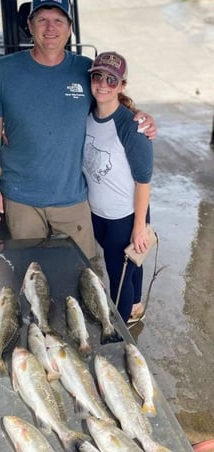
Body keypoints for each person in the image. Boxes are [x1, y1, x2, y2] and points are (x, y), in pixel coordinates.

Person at [0, 0, 156, 261]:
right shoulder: (4, 70)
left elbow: (109, 99)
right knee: (31, 276)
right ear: (29, 25)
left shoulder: (84, 68)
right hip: (20, 197)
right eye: (42, 19)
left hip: (72, 198)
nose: (50, 27)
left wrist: (139, 116)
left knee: (83, 276)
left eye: (58, 20)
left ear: (69, 28)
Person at [82, 51, 153, 324]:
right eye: (98, 76)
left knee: (119, 276)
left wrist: (138, 225)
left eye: (112, 80)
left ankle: (120, 335)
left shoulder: (131, 125)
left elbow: (143, 180)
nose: (103, 84)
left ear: (122, 85)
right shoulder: (88, 113)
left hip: (124, 216)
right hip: (99, 213)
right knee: (130, 263)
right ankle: (136, 305)